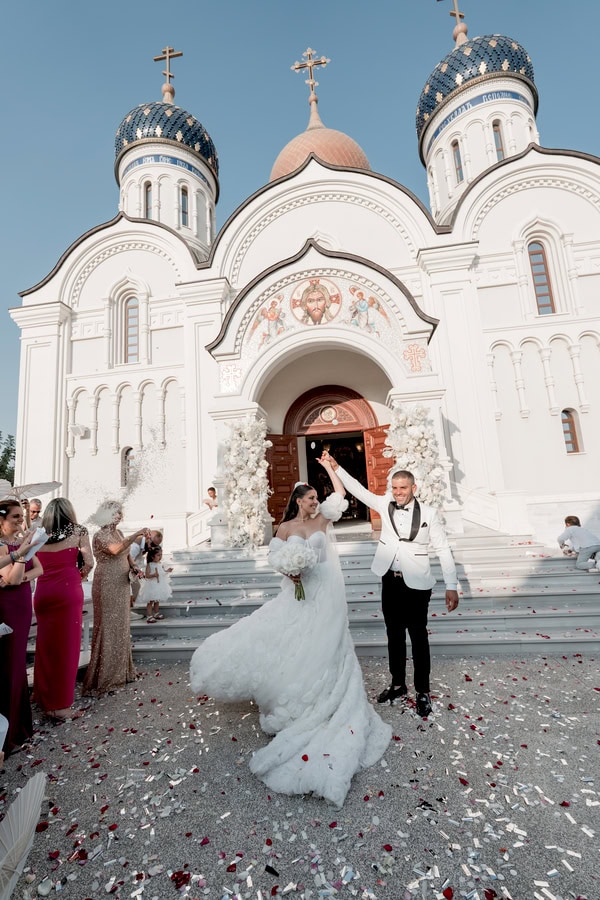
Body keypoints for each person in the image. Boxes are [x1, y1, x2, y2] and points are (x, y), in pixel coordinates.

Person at [190, 472, 392, 808]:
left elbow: (340, 495)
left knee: (327, 646)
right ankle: (299, 696)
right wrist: (291, 572)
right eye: (311, 498)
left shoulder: (323, 521)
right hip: (300, 594)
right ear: (298, 500)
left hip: (326, 594)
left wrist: (330, 467)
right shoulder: (284, 530)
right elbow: (277, 560)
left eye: (316, 498)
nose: (315, 502)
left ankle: (327, 698)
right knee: (298, 645)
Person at [319, 451, 458, 719]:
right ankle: (397, 684)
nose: (398, 493)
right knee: (393, 635)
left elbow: (443, 549)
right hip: (389, 580)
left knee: (418, 638)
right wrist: (336, 467)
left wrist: (451, 585)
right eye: (394, 488)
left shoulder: (430, 513)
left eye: (403, 488)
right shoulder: (385, 503)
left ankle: (423, 692)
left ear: (413, 488)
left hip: (418, 584)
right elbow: (358, 490)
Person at [33, 498, 94, 721]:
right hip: (68, 590)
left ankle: (43, 698)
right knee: (66, 649)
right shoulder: (79, 531)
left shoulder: (39, 533)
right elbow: (89, 562)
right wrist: (77, 576)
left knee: (46, 645)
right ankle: (60, 706)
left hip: (43, 592)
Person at [82, 501, 149, 697]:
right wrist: (136, 534)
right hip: (107, 584)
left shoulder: (118, 533)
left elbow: (126, 555)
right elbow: (115, 550)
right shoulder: (100, 534)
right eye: (114, 513)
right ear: (105, 515)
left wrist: (134, 567)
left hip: (121, 583)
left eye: (120, 513)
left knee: (121, 625)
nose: (119, 516)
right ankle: (105, 677)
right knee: (109, 626)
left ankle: (123, 672)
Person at [0, 499, 43, 757]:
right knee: (8, 666)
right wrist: (23, 554)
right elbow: (11, 577)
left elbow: (39, 569)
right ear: (1, 521)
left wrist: (21, 576)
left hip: (22, 603)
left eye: (20, 515)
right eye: (15, 516)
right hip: (5, 609)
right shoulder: (4, 547)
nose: (20, 519)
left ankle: (20, 725)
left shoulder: (19, 544)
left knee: (16, 665)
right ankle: (7, 732)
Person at [140, 545, 173, 622]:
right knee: (150, 601)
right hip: (152, 586)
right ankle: (149, 615)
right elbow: (147, 575)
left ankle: (156, 613)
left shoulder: (160, 564)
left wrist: (167, 571)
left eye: (161, 555)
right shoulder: (150, 565)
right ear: (152, 556)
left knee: (157, 600)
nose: (160, 557)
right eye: (158, 555)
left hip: (158, 585)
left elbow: (162, 573)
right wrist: (153, 575)